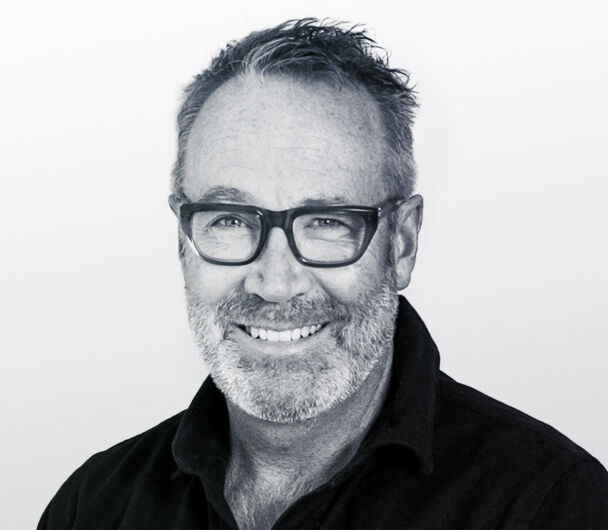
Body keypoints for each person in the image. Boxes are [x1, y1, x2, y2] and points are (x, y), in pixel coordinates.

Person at [38, 18, 608, 529]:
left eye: (327, 223)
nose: (275, 283)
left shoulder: (551, 506)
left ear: (402, 243)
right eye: (231, 220)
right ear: (183, 238)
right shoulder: (93, 506)